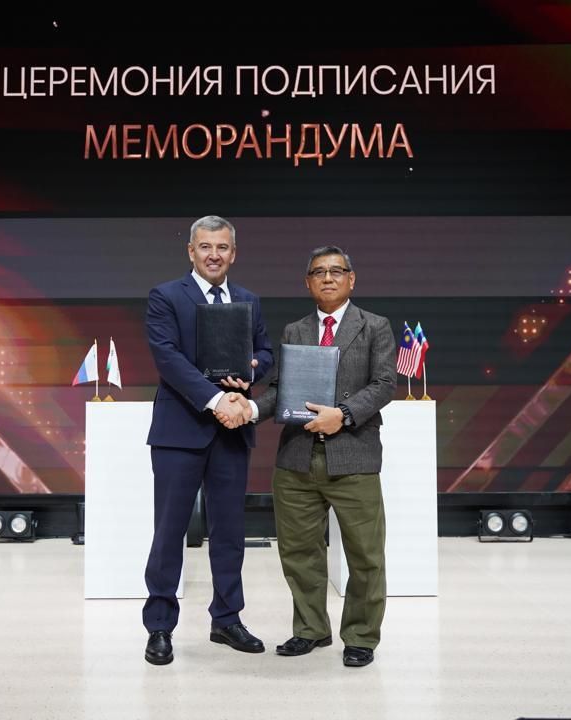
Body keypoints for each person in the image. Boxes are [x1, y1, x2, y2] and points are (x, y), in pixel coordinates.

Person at [244, 245, 395, 668]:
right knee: (299, 553)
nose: (328, 278)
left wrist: (342, 415)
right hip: (296, 458)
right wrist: (250, 409)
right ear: (307, 282)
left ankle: (360, 636)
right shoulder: (295, 330)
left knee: (365, 555)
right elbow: (280, 390)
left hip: (354, 456)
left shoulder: (375, 326)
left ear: (351, 279)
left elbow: (385, 383)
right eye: (318, 272)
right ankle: (311, 629)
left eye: (336, 271)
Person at [142, 215, 274, 666]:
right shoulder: (166, 296)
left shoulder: (249, 300)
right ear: (191, 251)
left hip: (232, 431)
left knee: (230, 532)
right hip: (180, 430)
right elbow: (168, 358)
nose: (213, 255)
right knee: (169, 532)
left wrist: (252, 368)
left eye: (222, 247)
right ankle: (160, 627)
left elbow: (265, 352)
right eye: (205, 246)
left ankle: (227, 619)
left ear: (233, 253)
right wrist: (218, 400)